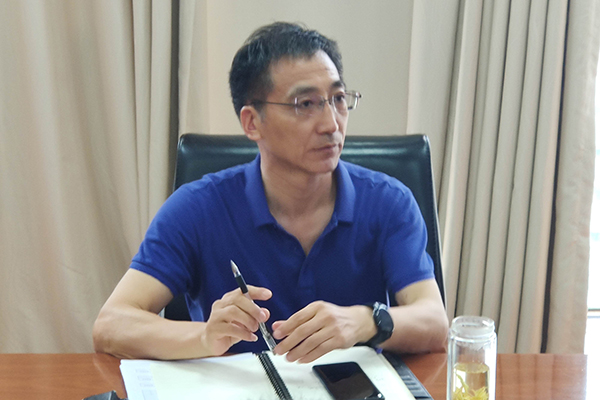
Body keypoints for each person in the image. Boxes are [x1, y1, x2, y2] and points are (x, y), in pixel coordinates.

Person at [93, 22, 448, 362]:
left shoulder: (389, 201)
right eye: (305, 104)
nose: (331, 124)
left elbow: (434, 322)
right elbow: (111, 325)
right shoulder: (197, 207)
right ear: (252, 122)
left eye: (338, 99)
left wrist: (365, 321)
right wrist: (203, 337)